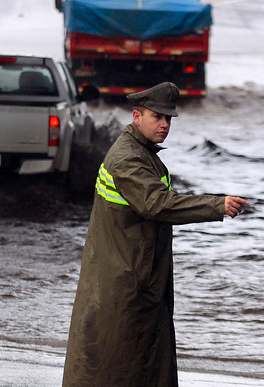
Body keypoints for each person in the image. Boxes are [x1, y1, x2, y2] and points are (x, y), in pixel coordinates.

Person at [62, 82, 249, 386]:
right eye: (157, 117)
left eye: (169, 119)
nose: (164, 125)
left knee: (137, 362)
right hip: (124, 282)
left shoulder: (141, 152)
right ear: (137, 117)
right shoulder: (128, 158)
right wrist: (216, 205)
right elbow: (157, 204)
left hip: (135, 276)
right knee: (116, 364)